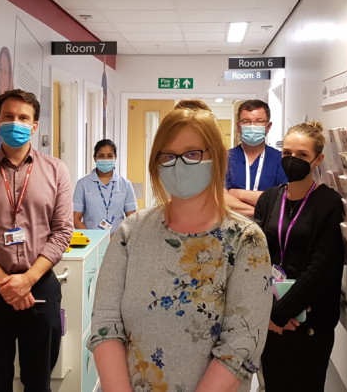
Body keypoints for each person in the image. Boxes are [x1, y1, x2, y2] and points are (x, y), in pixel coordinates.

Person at [89, 106, 272, 392]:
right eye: (168, 155)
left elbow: (240, 347)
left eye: (192, 154)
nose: (178, 164)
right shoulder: (131, 232)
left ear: (215, 158)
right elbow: (105, 325)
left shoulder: (245, 241)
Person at [0, 88, 73, 392]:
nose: (15, 122)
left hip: (40, 286)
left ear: (35, 126)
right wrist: (8, 285)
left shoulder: (55, 171)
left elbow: (63, 231)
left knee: (39, 380)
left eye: (23, 117)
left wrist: (27, 280)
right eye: (8, 116)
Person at [253, 121, 344, 392]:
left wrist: (281, 313)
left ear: (318, 159)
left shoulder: (328, 202)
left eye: (302, 155)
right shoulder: (269, 198)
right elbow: (255, 257)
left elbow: (322, 267)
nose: (293, 160)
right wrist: (268, 312)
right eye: (287, 153)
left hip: (309, 324)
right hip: (270, 319)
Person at [225, 100, 288, 218]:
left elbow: (284, 200)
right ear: (239, 127)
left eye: (259, 121)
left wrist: (238, 194)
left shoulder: (281, 160)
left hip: (269, 233)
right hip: (231, 232)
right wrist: (262, 213)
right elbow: (220, 199)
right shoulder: (225, 159)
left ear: (268, 127)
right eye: (246, 122)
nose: (252, 126)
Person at [73, 139, 137, 235]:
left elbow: (132, 219)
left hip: (119, 241)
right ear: (95, 158)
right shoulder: (82, 184)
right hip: (91, 242)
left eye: (110, 156)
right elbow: (75, 219)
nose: (105, 159)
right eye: (101, 156)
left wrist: (117, 239)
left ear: (115, 157)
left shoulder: (125, 185)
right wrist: (92, 239)